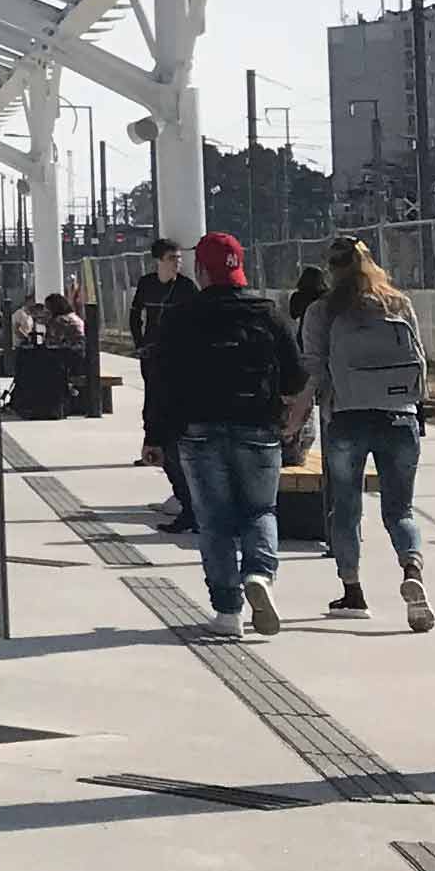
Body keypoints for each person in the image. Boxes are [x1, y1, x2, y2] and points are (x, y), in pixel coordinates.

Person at [140, 230, 307, 635]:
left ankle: (228, 613)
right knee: (260, 511)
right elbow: (296, 376)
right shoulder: (267, 313)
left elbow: (162, 381)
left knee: (213, 519)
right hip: (258, 427)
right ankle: (259, 576)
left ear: (201, 270)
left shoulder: (181, 315)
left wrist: (154, 436)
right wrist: (288, 415)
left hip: (198, 430)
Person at [300, 234, 434, 631]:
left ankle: (353, 593)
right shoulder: (398, 303)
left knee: (345, 509)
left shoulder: (322, 310)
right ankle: (412, 571)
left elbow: (314, 369)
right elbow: (420, 361)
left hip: (346, 418)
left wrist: (299, 413)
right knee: (401, 510)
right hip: (400, 417)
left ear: (332, 269)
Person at [128, 240, 199, 531]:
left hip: (178, 358)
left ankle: (159, 446)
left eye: (179, 259)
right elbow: (135, 314)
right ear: (158, 260)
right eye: (172, 258)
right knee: (152, 400)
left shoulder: (186, 287)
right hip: (151, 354)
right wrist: (140, 341)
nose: (177, 263)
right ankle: (152, 443)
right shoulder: (147, 284)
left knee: (166, 406)